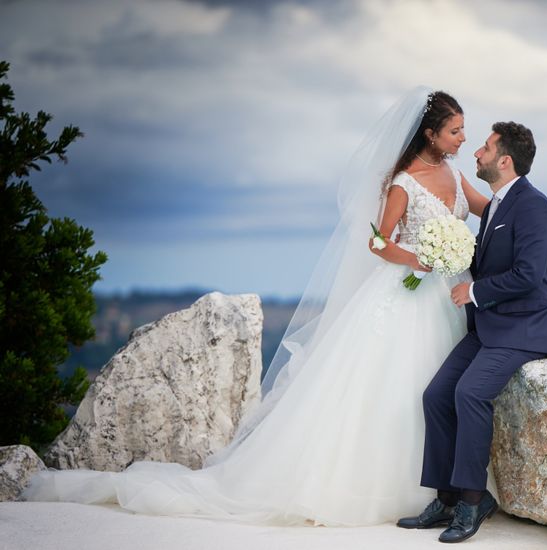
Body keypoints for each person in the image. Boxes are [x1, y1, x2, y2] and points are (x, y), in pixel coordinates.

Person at [21, 87, 492, 527]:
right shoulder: (403, 182)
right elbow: (376, 241)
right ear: (430, 133)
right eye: (455, 130)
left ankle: (454, 487)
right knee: (395, 388)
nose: (463, 138)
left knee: (437, 388)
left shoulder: (454, 172)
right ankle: (405, 490)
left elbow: (485, 209)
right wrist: (418, 258)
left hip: (447, 296)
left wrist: (502, 211)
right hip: (406, 293)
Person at [397, 122, 547, 543]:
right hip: (491, 326)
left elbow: (530, 276)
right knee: (436, 395)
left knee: (469, 393)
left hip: (526, 327)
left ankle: (473, 503)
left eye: (486, 147)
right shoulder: (495, 205)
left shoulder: (533, 205)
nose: (476, 152)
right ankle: (449, 497)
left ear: (504, 160)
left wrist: (474, 290)